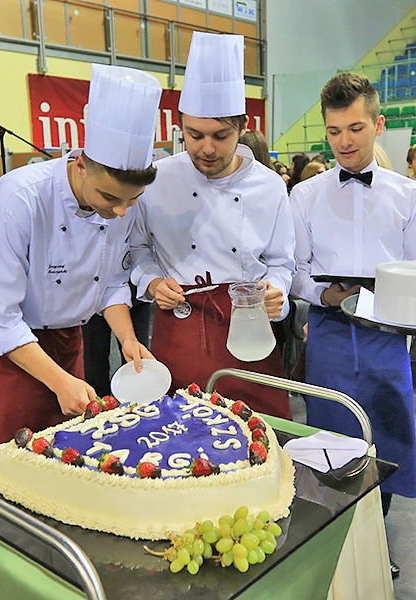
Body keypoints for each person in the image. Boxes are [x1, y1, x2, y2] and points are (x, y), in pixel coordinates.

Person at [0, 65, 161, 471]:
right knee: (16, 460)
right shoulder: (17, 200)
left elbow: (111, 285)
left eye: (132, 200)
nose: (120, 211)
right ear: (81, 163)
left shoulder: (120, 206)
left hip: (68, 339)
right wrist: (59, 381)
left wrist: (126, 338)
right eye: (110, 197)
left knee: (67, 455)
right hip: (7, 348)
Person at [289, 72, 416, 578]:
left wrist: (394, 298)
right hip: (329, 333)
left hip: (387, 337)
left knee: (389, 440)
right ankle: (332, 545)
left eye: (355, 128)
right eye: (333, 132)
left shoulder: (408, 195)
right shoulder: (305, 195)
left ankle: (375, 545)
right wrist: (323, 293)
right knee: (330, 440)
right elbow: (294, 272)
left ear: (378, 124)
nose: (345, 142)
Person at [130, 32, 296, 419]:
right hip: (181, 322)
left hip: (249, 323)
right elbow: (136, 250)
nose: (206, 148)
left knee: (263, 431)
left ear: (242, 127)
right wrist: (153, 283)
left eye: (220, 136)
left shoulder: (269, 185)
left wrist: (277, 290)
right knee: (183, 434)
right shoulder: (157, 179)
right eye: (194, 135)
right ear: (180, 127)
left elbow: (281, 261)